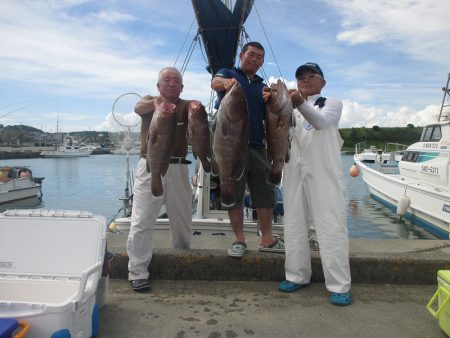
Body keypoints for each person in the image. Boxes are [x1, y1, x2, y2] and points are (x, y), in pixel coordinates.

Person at [275, 62, 351, 305]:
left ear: (322, 82)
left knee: (331, 227)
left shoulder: (332, 104)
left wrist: (297, 100)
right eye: (300, 77)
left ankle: (339, 285)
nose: (305, 80)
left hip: (323, 175)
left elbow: (319, 122)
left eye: (310, 76)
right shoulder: (289, 108)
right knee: (294, 224)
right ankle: (297, 275)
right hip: (293, 173)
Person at [211, 41, 284, 258]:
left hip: (257, 146)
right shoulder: (228, 73)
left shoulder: (262, 86)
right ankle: (239, 240)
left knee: (265, 193)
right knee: (233, 192)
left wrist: (271, 100)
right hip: (231, 146)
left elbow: (270, 116)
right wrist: (225, 83)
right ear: (242, 55)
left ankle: (267, 238)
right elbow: (215, 82)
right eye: (251, 55)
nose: (254, 59)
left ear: (262, 62)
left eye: (259, 57)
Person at [126, 67, 193, 292]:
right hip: (150, 166)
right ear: (158, 85)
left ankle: (184, 263)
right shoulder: (149, 102)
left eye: (177, 81)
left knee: (182, 220)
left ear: (182, 87)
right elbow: (137, 107)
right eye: (167, 80)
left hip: (179, 167)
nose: (172, 84)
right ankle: (137, 272)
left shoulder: (185, 106)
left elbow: (197, 113)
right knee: (141, 220)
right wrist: (159, 103)